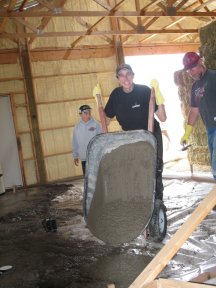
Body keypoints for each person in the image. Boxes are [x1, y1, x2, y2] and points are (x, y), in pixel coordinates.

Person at [93, 64, 167, 201]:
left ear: (133, 75)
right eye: (121, 75)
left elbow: (162, 117)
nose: (125, 78)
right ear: (117, 78)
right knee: (134, 168)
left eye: (128, 74)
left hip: (151, 135)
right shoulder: (116, 95)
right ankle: (140, 199)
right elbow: (105, 121)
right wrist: (98, 103)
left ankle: (157, 199)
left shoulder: (144, 91)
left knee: (154, 167)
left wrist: (159, 97)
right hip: (131, 138)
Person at [180, 52, 216, 180]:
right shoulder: (195, 87)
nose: (191, 72)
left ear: (200, 61)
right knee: (214, 168)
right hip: (210, 129)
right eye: (188, 70)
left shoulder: (213, 77)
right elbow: (194, 111)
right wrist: (187, 133)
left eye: (193, 67)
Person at [72, 105, 102, 175]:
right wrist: (75, 155)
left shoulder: (96, 124)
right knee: (87, 178)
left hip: (95, 156)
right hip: (84, 157)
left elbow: (100, 139)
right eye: (85, 113)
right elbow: (75, 142)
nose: (88, 114)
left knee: (97, 177)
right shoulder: (77, 127)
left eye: (89, 112)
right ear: (80, 114)